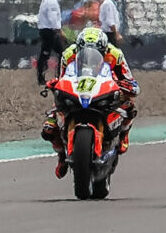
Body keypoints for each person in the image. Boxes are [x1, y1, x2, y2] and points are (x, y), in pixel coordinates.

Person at [41, 26, 139, 177]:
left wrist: (127, 86)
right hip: (79, 87)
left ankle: (123, 134)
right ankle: (61, 155)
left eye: (97, 51)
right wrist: (54, 84)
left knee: (129, 105)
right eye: (84, 50)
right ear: (79, 48)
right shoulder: (68, 54)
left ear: (104, 49)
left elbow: (129, 80)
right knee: (49, 125)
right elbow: (62, 79)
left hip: (106, 88)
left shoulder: (115, 55)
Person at [35, 0, 65, 84]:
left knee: (60, 52)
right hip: (49, 31)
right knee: (47, 53)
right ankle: (43, 77)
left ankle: (58, 76)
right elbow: (53, 18)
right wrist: (59, 30)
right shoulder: (52, 1)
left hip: (48, 30)